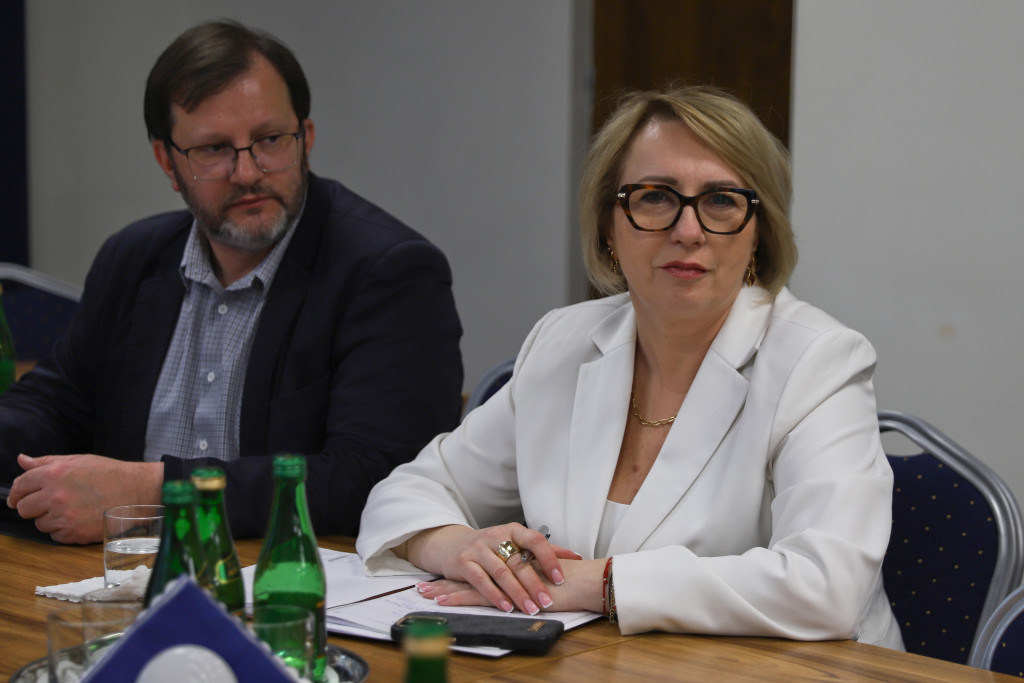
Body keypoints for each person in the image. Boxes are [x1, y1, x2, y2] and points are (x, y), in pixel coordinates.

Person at [356, 86, 903, 648]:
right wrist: (457, 546)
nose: (688, 230)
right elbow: (413, 489)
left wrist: (591, 584)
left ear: (759, 231)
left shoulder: (819, 360)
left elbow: (827, 586)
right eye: (656, 197)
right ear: (608, 224)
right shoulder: (563, 342)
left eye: (721, 200)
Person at [0, 20, 463, 543]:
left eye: (270, 140)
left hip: (290, 576)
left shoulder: (390, 272)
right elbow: (56, 403)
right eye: (214, 149)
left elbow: (375, 477)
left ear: (305, 140)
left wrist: (155, 492)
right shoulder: (132, 258)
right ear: (168, 162)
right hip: (122, 570)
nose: (247, 172)